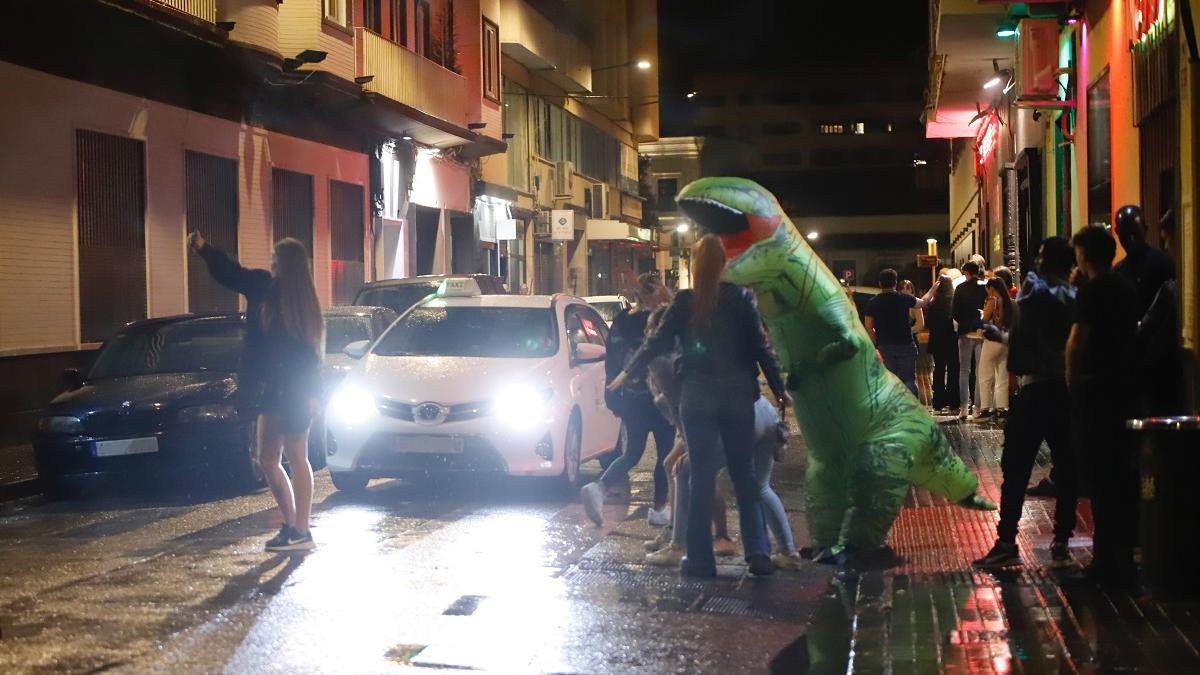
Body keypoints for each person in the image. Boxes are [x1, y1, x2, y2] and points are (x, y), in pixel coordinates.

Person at [609, 234, 789, 578]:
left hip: (698, 396)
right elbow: (760, 347)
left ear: (694, 265)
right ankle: (757, 552)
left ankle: (699, 559)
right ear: (724, 264)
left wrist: (626, 372)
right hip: (738, 395)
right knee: (744, 475)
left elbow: (656, 341)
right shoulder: (741, 299)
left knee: (701, 477)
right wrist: (779, 389)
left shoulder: (687, 302)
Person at [190, 231, 322, 552]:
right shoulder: (264, 286)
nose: (271, 261)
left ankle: (301, 530)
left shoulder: (302, 299)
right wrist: (205, 249)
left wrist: (312, 393)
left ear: (287, 264)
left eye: (276, 258)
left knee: (297, 457)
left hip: (293, 390)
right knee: (267, 459)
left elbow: (309, 354)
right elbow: (232, 274)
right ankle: (291, 525)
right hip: (269, 388)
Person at [974, 237, 1079, 569]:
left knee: (1016, 469)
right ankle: (1062, 542)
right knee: (1068, 468)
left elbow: (1024, 338)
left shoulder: (1034, 289)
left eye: (1040, 256)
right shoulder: (1076, 297)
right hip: (1065, 393)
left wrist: (1003, 333)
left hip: (1034, 393)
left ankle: (1007, 541)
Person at [1067, 224, 1141, 588]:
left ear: (1084, 255)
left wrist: (1072, 382)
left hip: (1095, 392)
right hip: (1125, 390)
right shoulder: (1126, 288)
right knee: (1121, 479)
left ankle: (1104, 564)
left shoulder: (1091, 292)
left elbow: (1076, 342)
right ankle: (1123, 560)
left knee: (1098, 480)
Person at [582, 273, 675, 527]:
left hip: (631, 398)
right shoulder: (662, 320)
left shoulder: (622, 320)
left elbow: (611, 358)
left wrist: (612, 395)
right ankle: (659, 509)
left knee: (632, 452)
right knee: (666, 454)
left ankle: (600, 488)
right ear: (657, 292)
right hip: (660, 398)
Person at [1113, 204, 1185, 416]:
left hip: (1156, 361)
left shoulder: (1161, 264)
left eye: (1133, 232)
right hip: (1145, 362)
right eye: (1126, 233)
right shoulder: (1121, 270)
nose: (1131, 239)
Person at [864, 269, 936, 397]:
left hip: (885, 346)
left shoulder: (873, 303)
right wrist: (932, 290)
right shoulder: (904, 298)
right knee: (908, 380)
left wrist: (877, 343)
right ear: (895, 283)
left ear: (880, 284)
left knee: (890, 381)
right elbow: (923, 303)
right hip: (906, 345)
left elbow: (868, 326)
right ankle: (913, 410)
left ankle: (893, 410)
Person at [952, 261, 988, 419]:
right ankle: (978, 407)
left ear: (966, 272)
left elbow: (955, 312)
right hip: (981, 333)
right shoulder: (985, 286)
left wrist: (963, 322)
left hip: (964, 333)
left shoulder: (960, 288)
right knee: (980, 371)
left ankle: (963, 408)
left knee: (964, 370)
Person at [975, 278, 1013, 420]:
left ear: (991, 288)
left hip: (992, 340)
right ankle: (1002, 408)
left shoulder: (993, 300)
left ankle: (985, 409)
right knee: (1002, 376)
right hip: (1005, 340)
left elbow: (985, 319)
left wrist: (981, 314)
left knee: (985, 375)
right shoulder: (1008, 300)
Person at [925, 273, 959, 413]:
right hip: (952, 340)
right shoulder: (954, 302)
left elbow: (928, 323)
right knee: (953, 370)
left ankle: (938, 402)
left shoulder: (934, 303)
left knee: (938, 369)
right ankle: (953, 401)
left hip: (937, 341)